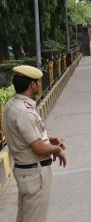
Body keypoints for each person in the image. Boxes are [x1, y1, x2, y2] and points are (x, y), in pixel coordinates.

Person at [3, 65, 67, 222]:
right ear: (32, 85)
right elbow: (38, 148)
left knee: (25, 218)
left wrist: (47, 137)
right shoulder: (24, 112)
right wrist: (56, 149)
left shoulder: (12, 105)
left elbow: (25, 134)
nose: (40, 84)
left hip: (25, 173)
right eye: (38, 82)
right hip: (34, 176)